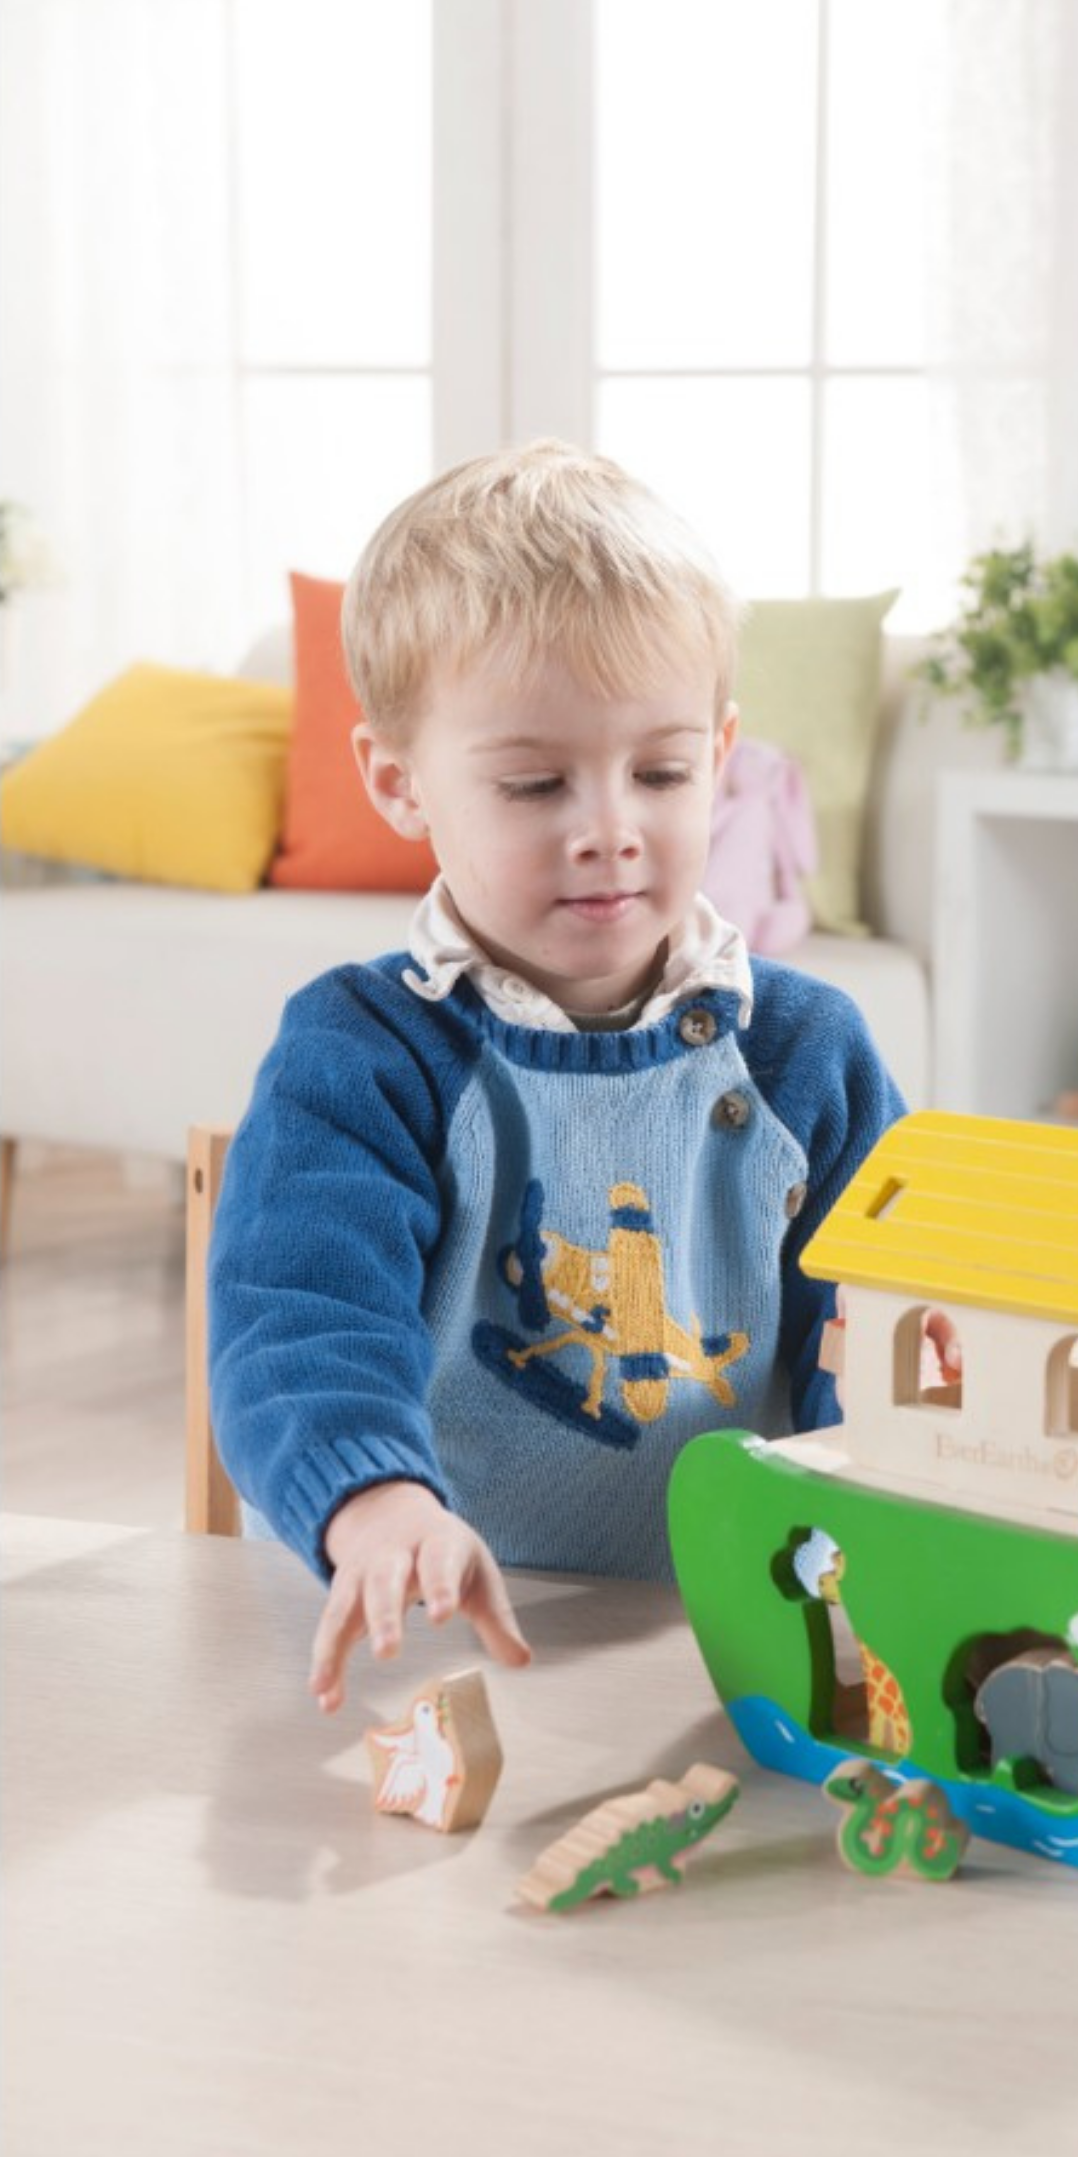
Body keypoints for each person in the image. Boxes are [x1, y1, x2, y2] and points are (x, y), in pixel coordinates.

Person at [209, 441, 907, 1715]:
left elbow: (890, 1317)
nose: (609, 826)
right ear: (395, 781)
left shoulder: (807, 1048)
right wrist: (374, 1504)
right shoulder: (361, 1051)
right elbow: (297, 1321)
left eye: (661, 771)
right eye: (535, 783)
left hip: (720, 1650)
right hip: (419, 1646)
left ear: (724, 754)